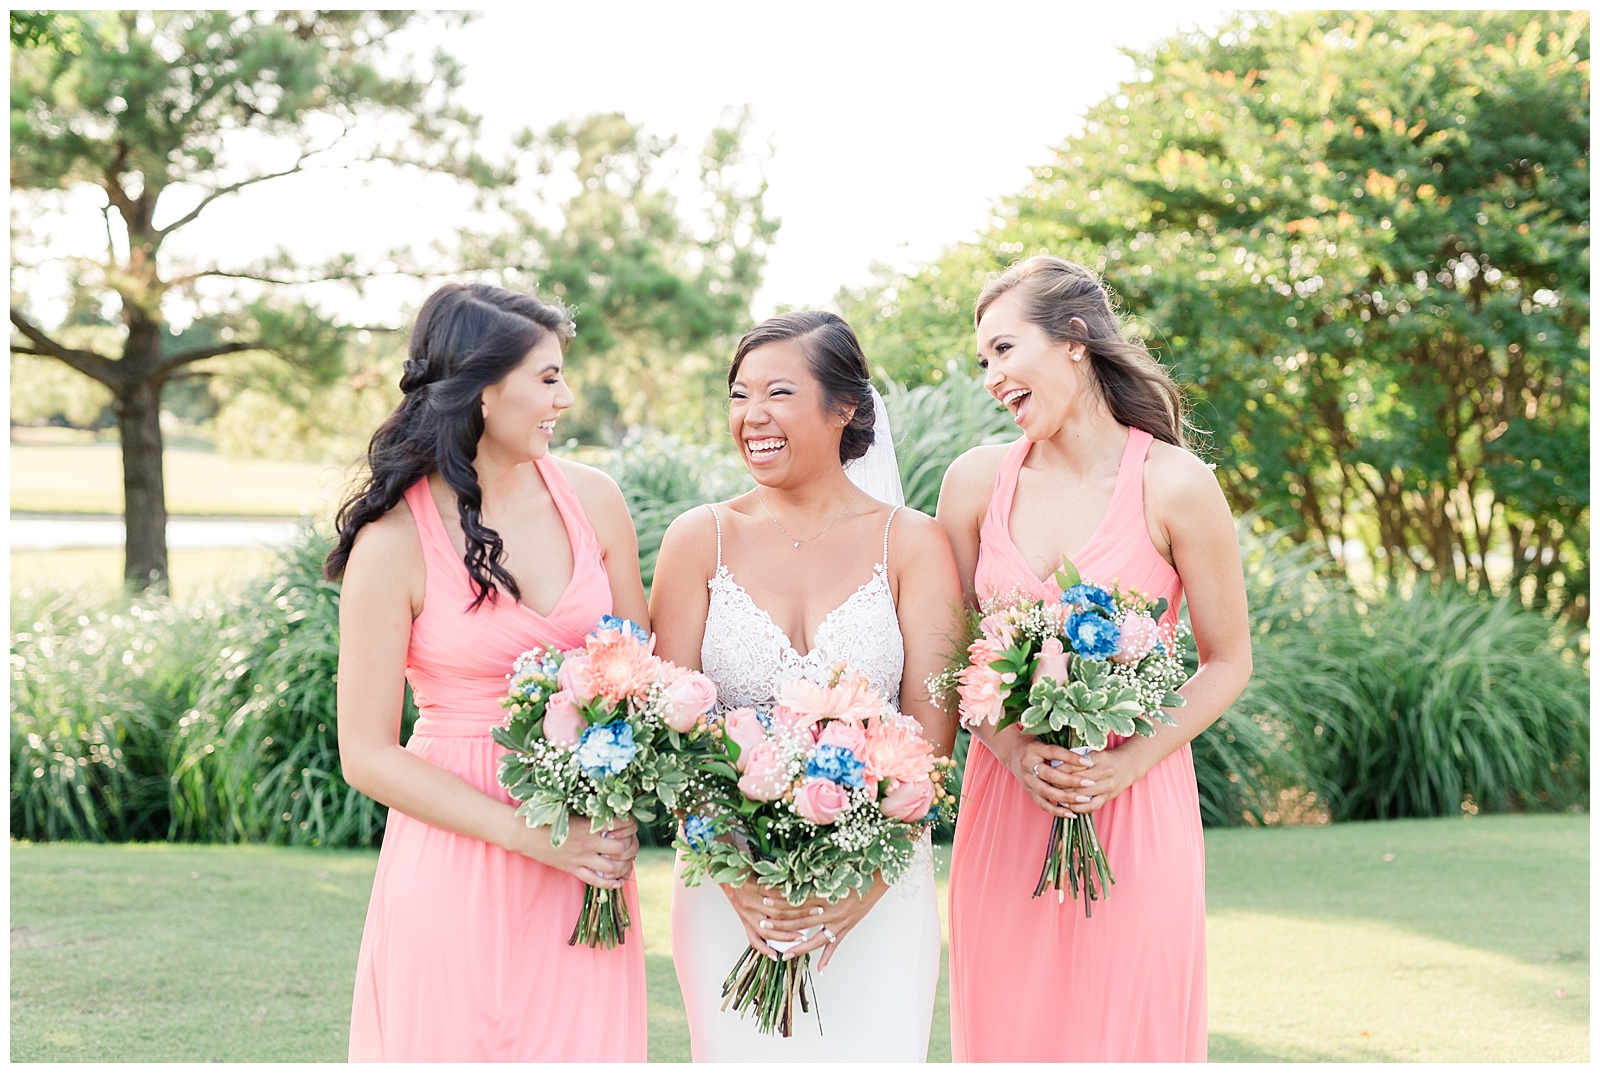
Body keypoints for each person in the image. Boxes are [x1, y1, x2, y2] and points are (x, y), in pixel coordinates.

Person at [938, 256, 1252, 1062]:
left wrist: (1124, 766)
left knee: (1128, 1033)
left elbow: (1226, 660)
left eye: (1005, 350)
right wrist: (1013, 749)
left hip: (1136, 806)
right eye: (984, 361)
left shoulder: (1176, 484)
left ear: (1074, 340)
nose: (992, 376)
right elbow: (948, 653)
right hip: (1006, 809)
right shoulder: (974, 483)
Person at [327, 282, 649, 1062]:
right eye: (546, 377)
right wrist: (532, 835)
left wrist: (629, 778)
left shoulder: (595, 500)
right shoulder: (395, 541)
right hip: (458, 851)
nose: (565, 397)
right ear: (479, 385)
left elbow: (643, 670)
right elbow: (366, 752)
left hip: (589, 851)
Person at [649, 311, 962, 1061]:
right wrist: (740, 884)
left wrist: (857, 888)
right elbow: (672, 734)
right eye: (738, 394)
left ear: (844, 406)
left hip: (879, 886)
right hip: (729, 884)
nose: (751, 415)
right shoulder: (699, 538)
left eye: (779, 392)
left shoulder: (913, 542)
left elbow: (933, 741)